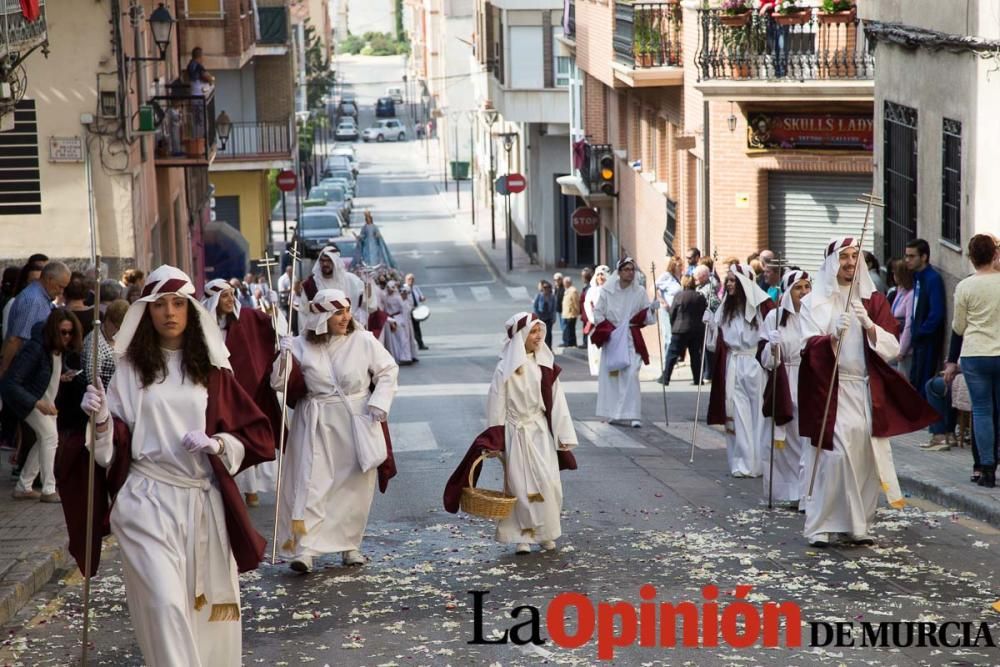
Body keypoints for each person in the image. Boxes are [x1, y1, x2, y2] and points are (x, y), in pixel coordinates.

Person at [71, 265, 274, 667]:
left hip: (201, 501)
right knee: (164, 604)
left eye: (178, 304)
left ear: (191, 310)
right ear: (146, 311)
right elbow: (109, 453)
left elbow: (253, 436)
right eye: (160, 304)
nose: (169, 312)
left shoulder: (212, 370)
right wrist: (99, 419)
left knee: (203, 614)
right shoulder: (128, 371)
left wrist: (217, 443)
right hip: (146, 499)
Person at [797, 237, 937, 547]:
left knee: (864, 457)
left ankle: (857, 524)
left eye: (854, 256)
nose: (849, 262)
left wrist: (870, 326)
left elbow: (892, 347)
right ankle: (820, 524)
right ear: (832, 262)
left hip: (864, 389)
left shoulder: (872, 300)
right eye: (843, 257)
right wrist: (830, 338)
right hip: (831, 391)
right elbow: (805, 346)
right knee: (835, 456)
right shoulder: (813, 302)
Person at [272, 289, 398, 573]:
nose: (345, 318)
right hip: (314, 421)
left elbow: (388, 370)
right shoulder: (300, 345)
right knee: (311, 483)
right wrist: (283, 356)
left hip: (355, 419)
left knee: (353, 485)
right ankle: (305, 549)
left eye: (346, 311)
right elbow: (278, 384)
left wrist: (379, 402)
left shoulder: (363, 340)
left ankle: (349, 545)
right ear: (322, 317)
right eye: (338, 313)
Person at [447, 313, 578, 555]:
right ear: (521, 337)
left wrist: (564, 436)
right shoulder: (505, 370)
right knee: (519, 485)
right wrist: (495, 438)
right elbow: (497, 403)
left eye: (541, 332)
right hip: (516, 432)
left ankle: (546, 532)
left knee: (549, 483)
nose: (539, 337)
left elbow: (558, 403)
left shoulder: (546, 366)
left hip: (540, 432)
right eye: (534, 332)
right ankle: (523, 537)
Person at [202, 279, 283, 507]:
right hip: (214, 391)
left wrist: (277, 314)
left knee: (244, 435)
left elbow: (272, 328)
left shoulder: (245, 317)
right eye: (225, 296)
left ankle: (251, 490)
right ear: (213, 301)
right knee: (221, 438)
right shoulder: (201, 326)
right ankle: (229, 488)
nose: (230, 300)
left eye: (232, 295)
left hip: (244, 388)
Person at [1, 309, 83, 502]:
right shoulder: (36, 348)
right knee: (49, 437)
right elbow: (11, 383)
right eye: (63, 332)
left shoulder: (55, 350)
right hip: (32, 401)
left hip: (42, 401)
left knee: (45, 440)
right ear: (54, 331)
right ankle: (48, 489)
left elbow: (47, 372)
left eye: (70, 333)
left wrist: (63, 376)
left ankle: (24, 485)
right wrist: (37, 403)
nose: (67, 337)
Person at [704, 264, 770, 477]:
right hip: (734, 363)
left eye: (734, 280)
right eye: (728, 280)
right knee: (737, 413)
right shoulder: (725, 307)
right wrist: (711, 325)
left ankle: (758, 462)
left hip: (754, 363)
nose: (730, 284)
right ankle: (742, 462)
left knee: (758, 413)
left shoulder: (761, 308)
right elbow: (714, 345)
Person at [758, 270, 812, 507]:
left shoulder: (815, 316)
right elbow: (764, 359)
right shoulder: (774, 317)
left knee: (807, 439)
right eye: (798, 288)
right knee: (787, 440)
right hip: (785, 378)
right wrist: (772, 346)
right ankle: (792, 490)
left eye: (807, 287)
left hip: (809, 378)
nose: (803, 292)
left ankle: (806, 493)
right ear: (789, 291)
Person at [951, 234, 1000, 487]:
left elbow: (958, 327)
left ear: (971, 258)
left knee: (982, 410)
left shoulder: (965, 286)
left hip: (975, 353)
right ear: (995, 255)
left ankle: (986, 468)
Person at [591, 258, 655, 428]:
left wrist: (652, 310)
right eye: (626, 269)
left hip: (631, 338)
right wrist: (609, 329)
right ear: (618, 272)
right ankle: (613, 413)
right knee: (613, 376)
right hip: (613, 338)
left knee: (632, 374)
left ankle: (633, 414)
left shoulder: (639, 291)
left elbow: (646, 317)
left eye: (632, 269)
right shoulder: (607, 291)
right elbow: (598, 313)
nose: (629, 272)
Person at [1, 261, 69, 375]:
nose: (61, 291)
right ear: (49, 279)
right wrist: (3, 370)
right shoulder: (33, 301)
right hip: (22, 370)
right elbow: (15, 340)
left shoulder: (42, 298)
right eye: (60, 286)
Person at [904, 239, 946, 398]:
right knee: (914, 378)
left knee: (923, 380)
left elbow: (936, 313)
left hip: (927, 339)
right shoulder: (917, 277)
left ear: (924, 257)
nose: (907, 260)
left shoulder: (932, 279)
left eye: (912, 256)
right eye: (906, 256)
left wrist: (921, 331)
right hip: (918, 338)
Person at [301, 246, 365, 322]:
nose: (325, 264)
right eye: (322, 261)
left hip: (347, 327)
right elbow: (303, 312)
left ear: (336, 262)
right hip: (320, 331)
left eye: (329, 261)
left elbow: (367, 304)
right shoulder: (310, 284)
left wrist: (369, 283)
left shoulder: (351, 280)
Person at [663, 275, 706, 385]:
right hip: (696, 330)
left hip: (680, 328)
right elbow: (704, 312)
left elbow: (672, 312)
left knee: (672, 354)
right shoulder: (700, 296)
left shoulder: (679, 296)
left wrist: (673, 325)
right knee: (695, 355)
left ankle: (666, 378)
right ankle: (698, 379)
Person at [82, 299, 129, 389]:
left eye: (121, 329)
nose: (118, 332)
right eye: (116, 327)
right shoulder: (95, 344)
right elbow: (93, 380)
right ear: (107, 320)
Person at [654, 258, 683, 374]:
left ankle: (672, 361)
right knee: (668, 336)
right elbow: (654, 288)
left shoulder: (680, 277)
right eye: (678, 265)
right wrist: (663, 302)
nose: (680, 267)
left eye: (681, 265)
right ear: (672, 266)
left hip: (677, 311)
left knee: (675, 336)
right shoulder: (666, 276)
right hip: (667, 310)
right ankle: (666, 364)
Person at [889, 260, 915, 378]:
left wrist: (902, 350)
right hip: (895, 343)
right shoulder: (900, 291)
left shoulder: (910, 295)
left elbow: (909, 324)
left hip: (905, 349)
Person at [383, 281, 417, 364]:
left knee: (402, 339)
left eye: (390, 288)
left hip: (398, 319)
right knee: (393, 341)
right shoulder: (385, 297)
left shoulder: (397, 298)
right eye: (387, 288)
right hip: (389, 319)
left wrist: (404, 321)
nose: (388, 290)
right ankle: (396, 357)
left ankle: (405, 357)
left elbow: (404, 309)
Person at [583, 266, 609, 376]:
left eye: (602, 274)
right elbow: (587, 305)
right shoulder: (591, 291)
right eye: (598, 274)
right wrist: (593, 319)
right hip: (595, 324)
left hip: (607, 323)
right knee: (595, 349)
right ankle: (597, 369)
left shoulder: (611, 290)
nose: (600, 277)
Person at [405, 273, 428, 350]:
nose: (411, 281)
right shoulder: (404, 288)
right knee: (412, 328)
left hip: (416, 310)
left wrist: (422, 298)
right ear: (406, 280)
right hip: (409, 311)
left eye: (412, 279)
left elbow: (420, 297)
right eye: (409, 279)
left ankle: (420, 344)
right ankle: (416, 344)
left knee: (417, 328)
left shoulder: (416, 288)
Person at [532, 281, 556, 350]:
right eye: (544, 287)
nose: (546, 289)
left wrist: (553, 318)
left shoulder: (552, 297)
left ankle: (549, 348)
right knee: (540, 333)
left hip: (548, 318)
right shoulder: (539, 296)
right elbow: (535, 306)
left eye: (547, 287)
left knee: (548, 333)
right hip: (540, 318)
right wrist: (536, 317)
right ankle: (540, 348)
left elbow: (554, 308)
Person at [560, 277, 579, 349]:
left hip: (571, 313)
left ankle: (571, 342)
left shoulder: (573, 291)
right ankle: (568, 342)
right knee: (568, 329)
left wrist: (577, 311)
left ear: (568, 282)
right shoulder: (567, 290)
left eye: (565, 282)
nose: (564, 284)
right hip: (566, 313)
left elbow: (575, 302)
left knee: (570, 329)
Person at [578, 267, 593, 349]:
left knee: (588, 328)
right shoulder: (586, 287)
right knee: (585, 327)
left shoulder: (589, 288)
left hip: (587, 313)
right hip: (584, 313)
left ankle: (586, 343)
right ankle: (585, 342)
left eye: (583, 276)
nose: (582, 278)